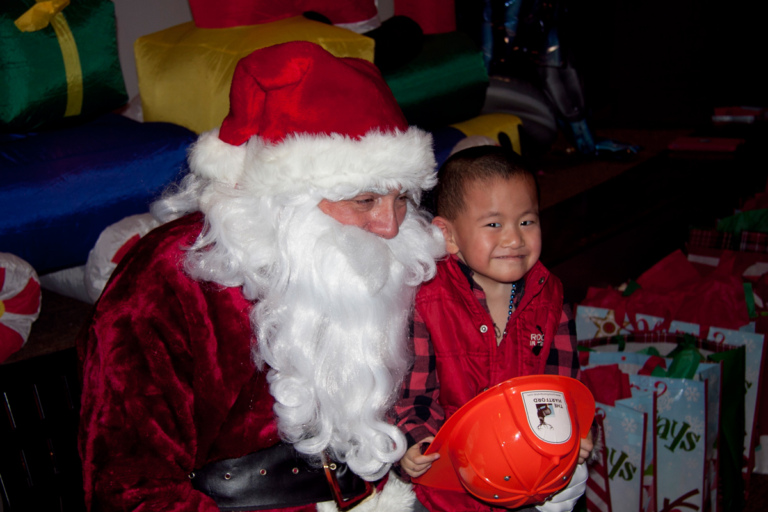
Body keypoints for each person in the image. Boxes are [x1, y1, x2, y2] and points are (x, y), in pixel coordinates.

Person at [77, 41, 446, 512]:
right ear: (287, 196)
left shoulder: (396, 256)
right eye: (365, 201)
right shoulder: (168, 279)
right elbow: (131, 489)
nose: (390, 227)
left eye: (402, 199)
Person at [394, 145, 593, 512]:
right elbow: (413, 397)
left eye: (526, 221)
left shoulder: (550, 295)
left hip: (529, 475)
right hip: (451, 485)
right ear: (449, 237)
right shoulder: (425, 301)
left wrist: (573, 431)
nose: (514, 239)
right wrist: (417, 442)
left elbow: (561, 385)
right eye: (493, 224)